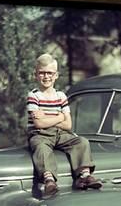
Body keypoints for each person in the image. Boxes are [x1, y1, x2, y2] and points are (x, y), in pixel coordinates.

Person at [27, 53, 102, 197]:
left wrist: (48, 116)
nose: (46, 76)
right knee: (41, 148)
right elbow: (38, 123)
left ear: (56, 75)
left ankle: (83, 175)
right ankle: (49, 180)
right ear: (35, 75)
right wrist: (59, 116)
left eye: (49, 73)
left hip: (60, 133)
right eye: (41, 73)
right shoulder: (34, 95)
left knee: (81, 142)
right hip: (40, 134)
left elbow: (68, 124)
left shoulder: (61, 96)